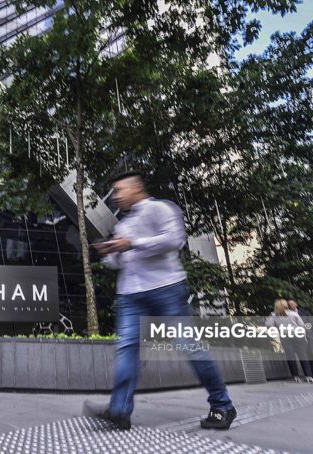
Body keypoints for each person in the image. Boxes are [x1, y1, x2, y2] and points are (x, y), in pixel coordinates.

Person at [84, 171, 237, 430]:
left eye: (121, 190)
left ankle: (222, 405)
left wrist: (131, 244)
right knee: (126, 349)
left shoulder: (161, 209)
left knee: (188, 345)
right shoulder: (122, 225)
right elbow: (115, 262)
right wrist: (112, 251)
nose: (117, 196)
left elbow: (173, 240)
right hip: (130, 294)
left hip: (167, 289)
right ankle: (119, 411)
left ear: (137, 187)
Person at [266, 299, 313, 383]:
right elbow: (302, 325)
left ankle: (296, 376)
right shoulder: (293, 313)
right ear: (285, 305)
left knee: (290, 356)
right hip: (298, 336)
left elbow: (268, 325)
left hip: (285, 337)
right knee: (303, 356)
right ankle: (309, 376)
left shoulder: (273, 315)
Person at [287, 300, 313, 383]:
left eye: (292, 304)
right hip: (298, 339)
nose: (290, 305)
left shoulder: (304, 312)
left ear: (296, 304)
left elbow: (312, 324)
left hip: (309, 337)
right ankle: (312, 376)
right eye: (289, 304)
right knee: (305, 357)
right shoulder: (287, 315)